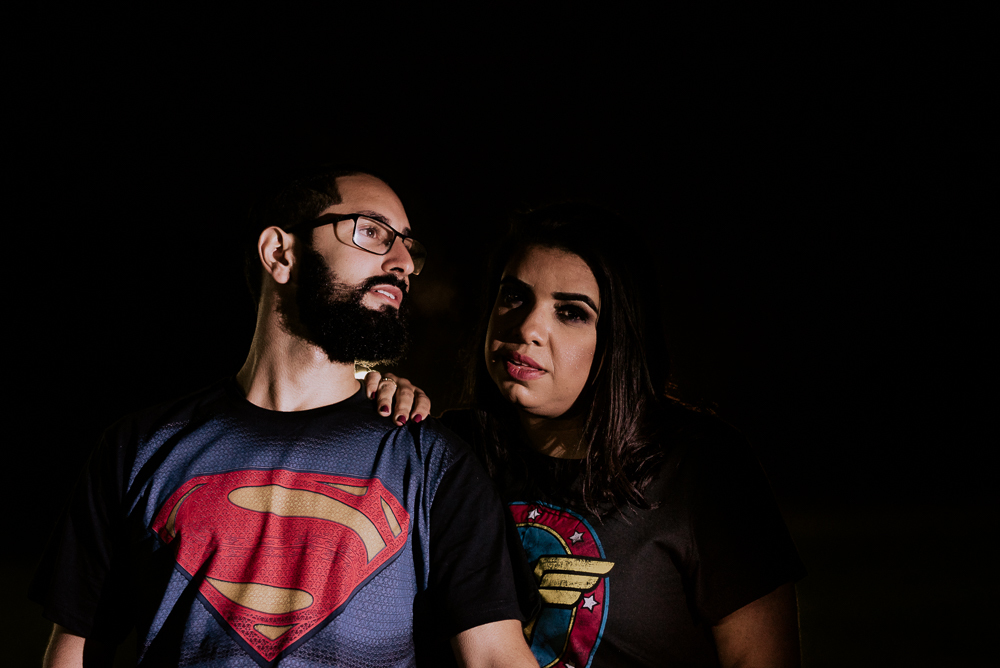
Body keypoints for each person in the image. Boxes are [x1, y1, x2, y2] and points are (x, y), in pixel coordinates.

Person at [29, 168, 538, 668]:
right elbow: (75, 649)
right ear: (280, 253)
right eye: (373, 232)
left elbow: (495, 656)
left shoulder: (432, 461)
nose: (404, 261)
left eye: (409, 246)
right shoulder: (139, 447)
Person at [378, 203, 806, 667]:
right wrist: (368, 406)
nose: (526, 329)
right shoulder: (446, 450)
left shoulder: (701, 464)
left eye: (571, 312)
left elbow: (761, 657)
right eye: (515, 296)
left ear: (619, 335)